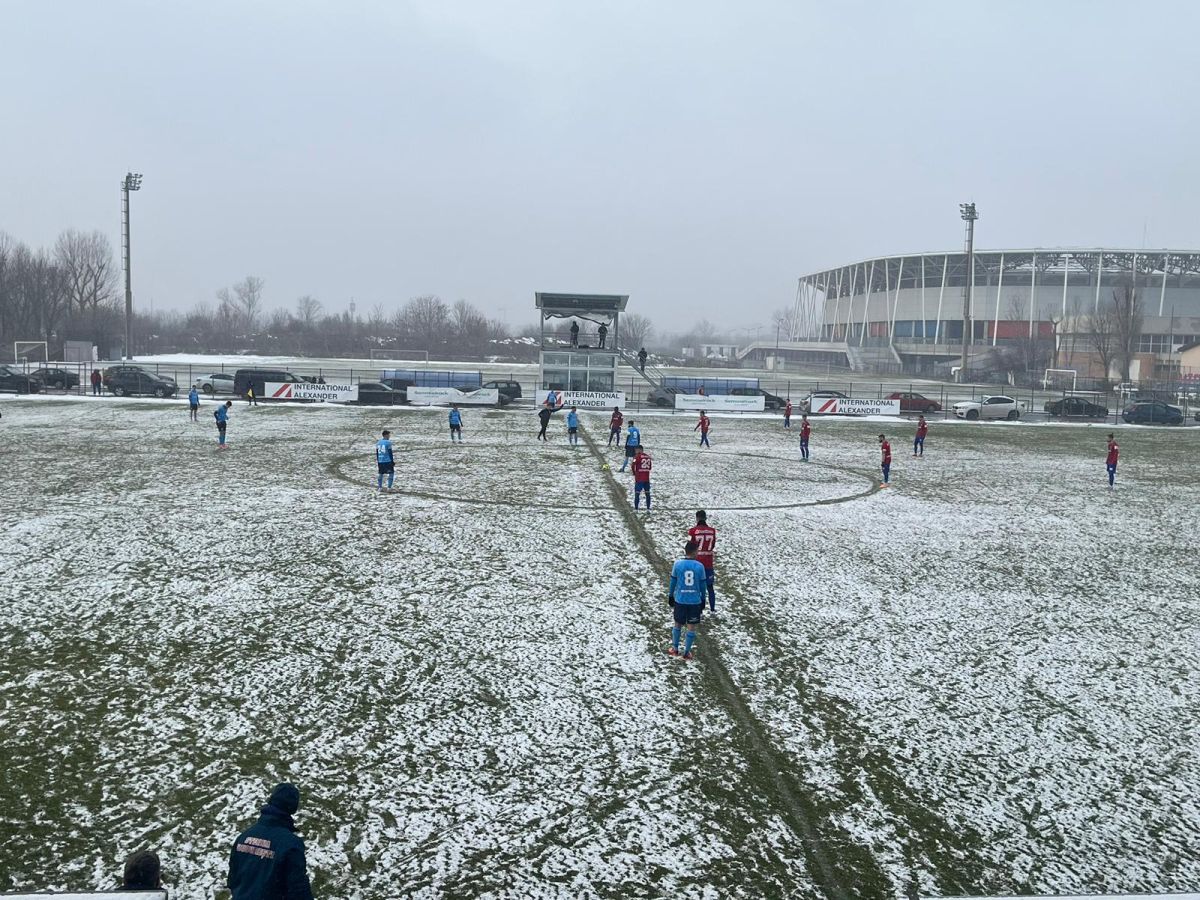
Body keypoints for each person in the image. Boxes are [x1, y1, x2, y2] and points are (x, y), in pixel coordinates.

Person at [227, 782, 314, 900]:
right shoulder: (291, 845)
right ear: (293, 808)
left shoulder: (243, 837)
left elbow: (232, 881)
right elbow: (298, 891)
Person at [667, 540, 708, 660]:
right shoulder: (700, 566)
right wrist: (703, 599)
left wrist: (670, 595)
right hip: (694, 601)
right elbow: (703, 585)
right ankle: (687, 652)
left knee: (678, 624)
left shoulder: (677, 564)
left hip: (680, 600)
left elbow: (673, 581)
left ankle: (674, 649)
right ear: (695, 551)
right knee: (691, 626)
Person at [688, 510, 717, 613]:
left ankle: (699, 609)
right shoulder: (712, 531)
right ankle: (713, 609)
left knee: (697, 586)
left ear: (697, 518)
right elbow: (713, 545)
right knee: (710, 586)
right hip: (708, 561)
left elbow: (690, 546)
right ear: (705, 518)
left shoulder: (693, 531)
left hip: (697, 561)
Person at [631, 445, 652, 510]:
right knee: (647, 493)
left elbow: (632, 465)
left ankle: (636, 508)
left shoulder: (637, 457)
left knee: (637, 493)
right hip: (646, 478)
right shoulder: (648, 457)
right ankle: (648, 508)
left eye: (636, 450)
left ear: (639, 450)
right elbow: (650, 467)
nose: (635, 452)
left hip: (639, 478)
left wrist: (634, 473)